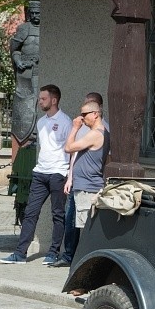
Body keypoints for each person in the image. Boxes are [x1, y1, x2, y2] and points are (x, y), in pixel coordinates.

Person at [0, 84, 72, 265]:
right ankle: (20, 254)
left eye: (43, 99)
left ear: (54, 100)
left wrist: (69, 175)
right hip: (40, 173)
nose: (40, 101)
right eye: (40, 99)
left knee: (58, 214)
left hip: (58, 173)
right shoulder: (40, 123)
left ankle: (53, 253)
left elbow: (72, 151)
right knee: (30, 212)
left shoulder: (65, 122)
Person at [52, 93, 110, 268]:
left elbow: (68, 147)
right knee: (81, 228)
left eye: (84, 115)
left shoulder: (97, 133)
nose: (81, 118)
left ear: (95, 114)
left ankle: (86, 268)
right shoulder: (97, 132)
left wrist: (74, 128)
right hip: (83, 186)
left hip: (87, 188)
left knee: (86, 233)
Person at [10, 0, 41, 157]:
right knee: (28, 101)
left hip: (40, 69)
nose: (35, 16)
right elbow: (15, 49)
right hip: (26, 72)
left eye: (38, 13)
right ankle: (29, 134)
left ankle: (36, 132)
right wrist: (18, 61)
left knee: (39, 101)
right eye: (33, 13)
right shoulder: (24, 29)